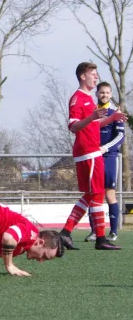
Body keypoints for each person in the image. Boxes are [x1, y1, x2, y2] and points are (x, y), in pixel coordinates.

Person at [59, 62, 127, 251]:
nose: (96, 77)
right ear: (83, 76)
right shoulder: (78, 98)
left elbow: (93, 125)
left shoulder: (89, 98)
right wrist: (92, 117)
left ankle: (68, 233)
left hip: (92, 151)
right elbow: (73, 126)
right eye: (93, 74)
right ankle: (99, 238)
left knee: (92, 194)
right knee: (95, 194)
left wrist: (111, 119)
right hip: (87, 152)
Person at [84, 82, 124, 243]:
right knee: (94, 194)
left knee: (109, 194)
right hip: (92, 157)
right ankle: (95, 231)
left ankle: (113, 232)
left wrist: (105, 148)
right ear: (97, 94)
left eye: (107, 93)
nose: (104, 95)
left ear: (111, 94)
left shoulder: (115, 114)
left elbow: (120, 137)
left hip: (109, 157)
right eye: (102, 92)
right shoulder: (91, 113)